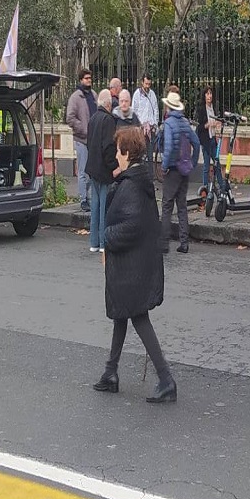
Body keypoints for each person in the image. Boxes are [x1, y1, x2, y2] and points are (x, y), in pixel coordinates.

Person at [91, 125, 176, 404]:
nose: (116, 155)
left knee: (137, 316)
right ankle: (110, 372)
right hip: (137, 262)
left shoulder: (130, 185)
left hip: (132, 266)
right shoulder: (138, 179)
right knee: (121, 313)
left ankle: (165, 379)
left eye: (118, 150)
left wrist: (106, 237)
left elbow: (131, 225)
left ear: (127, 152)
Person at [159, 92, 200, 255]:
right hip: (184, 169)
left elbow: (168, 148)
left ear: (169, 106)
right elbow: (196, 144)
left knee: (167, 205)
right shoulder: (185, 122)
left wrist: (164, 166)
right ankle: (184, 242)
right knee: (182, 206)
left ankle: (164, 242)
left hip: (173, 170)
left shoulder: (169, 124)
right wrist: (192, 163)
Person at [84, 89, 118, 253]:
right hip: (104, 170)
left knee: (95, 207)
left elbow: (89, 143)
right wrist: (114, 166)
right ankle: (104, 243)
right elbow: (109, 147)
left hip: (92, 168)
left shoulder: (92, 119)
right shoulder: (108, 120)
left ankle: (94, 242)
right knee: (105, 208)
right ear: (108, 104)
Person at [65, 69, 97, 212]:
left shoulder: (94, 95)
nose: (89, 80)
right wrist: (84, 129)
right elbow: (70, 118)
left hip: (94, 140)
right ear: (80, 80)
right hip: (82, 139)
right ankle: (83, 199)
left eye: (90, 78)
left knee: (91, 171)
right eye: (86, 78)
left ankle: (89, 198)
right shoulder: (75, 97)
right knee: (83, 171)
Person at [196, 86, 223, 195]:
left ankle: (222, 186)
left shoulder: (213, 108)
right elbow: (200, 127)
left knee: (217, 164)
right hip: (206, 140)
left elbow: (216, 120)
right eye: (207, 94)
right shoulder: (202, 109)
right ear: (204, 96)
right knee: (206, 166)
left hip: (213, 139)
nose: (209, 96)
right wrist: (207, 125)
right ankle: (205, 189)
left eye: (210, 93)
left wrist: (217, 123)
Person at [134, 74, 160, 142]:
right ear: (142, 82)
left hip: (151, 128)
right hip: (141, 128)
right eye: (146, 84)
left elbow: (156, 110)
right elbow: (134, 110)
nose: (147, 86)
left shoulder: (152, 94)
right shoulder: (137, 94)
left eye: (149, 84)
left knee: (150, 151)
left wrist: (155, 124)